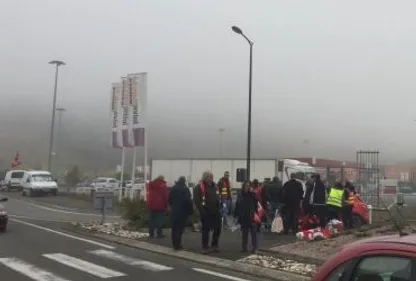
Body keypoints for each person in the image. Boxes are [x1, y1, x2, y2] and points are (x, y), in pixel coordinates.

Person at [193, 171, 222, 254]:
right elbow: (197, 201)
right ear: (204, 178)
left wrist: (219, 208)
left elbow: (218, 197)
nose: (210, 179)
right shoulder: (198, 187)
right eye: (208, 177)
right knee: (206, 230)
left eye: (211, 177)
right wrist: (202, 211)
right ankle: (205, 247)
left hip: (216, 212)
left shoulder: (215, 186)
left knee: (218, 229)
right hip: (206, 212)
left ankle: (214, 245)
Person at [168, 176, 193, 250]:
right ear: (184, 181)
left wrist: (172, 206)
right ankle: (178, 245)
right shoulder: (185, 189)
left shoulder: (173, 188)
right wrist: (190, 211)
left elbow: (169, 199)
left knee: (174, 228)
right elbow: (188, 201)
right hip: (182, 212)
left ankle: (174, 244)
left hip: (174, 211)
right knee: (179, 229)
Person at [233, 181, 259, 253]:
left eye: (249, 186)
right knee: (244, 233)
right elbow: (237, 204)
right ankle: (244, 247)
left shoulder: (252, 194)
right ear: (243, 186)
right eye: (246, 186)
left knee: (253, 232)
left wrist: (256, 213)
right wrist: (235, 214)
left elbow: (256, 203)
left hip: (251, 216)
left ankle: (255, 248)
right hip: (243, 216)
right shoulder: (240, 194)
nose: (247, 187)